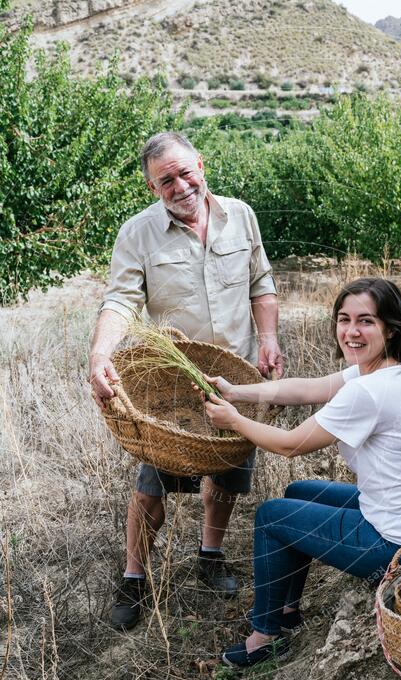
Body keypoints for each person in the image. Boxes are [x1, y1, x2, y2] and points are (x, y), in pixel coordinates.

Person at [197, 277, 401, 667]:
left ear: (390, 328)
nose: (351, 331)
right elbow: (310, 389)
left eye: (366, 321)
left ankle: (265, 636)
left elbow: (290, 444)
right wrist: (236, 391)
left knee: (271, 516)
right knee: (298, 491)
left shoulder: (368, 392)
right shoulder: (394, 367)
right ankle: (287, 609)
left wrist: (234, 421)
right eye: (344, 319)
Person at [88, 131, 283, 630]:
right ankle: (134, 577)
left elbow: (261, 284)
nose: (179, 186)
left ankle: (210, 555)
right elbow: (121, 301)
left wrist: (268, 339)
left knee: (227, 475)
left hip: (235, 379)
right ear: (153, 187)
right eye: (165, 180)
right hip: (174, 383)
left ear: (201, 164)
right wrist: (100, 353)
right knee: (152, 485)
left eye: (184, 172)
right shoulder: (138, 233)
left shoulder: (240, 216)